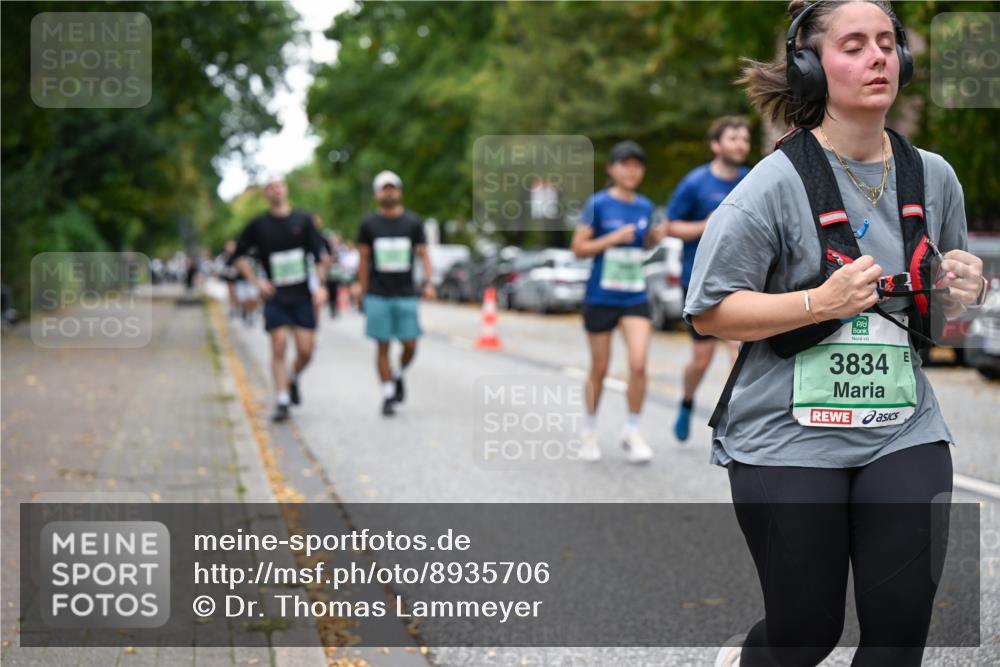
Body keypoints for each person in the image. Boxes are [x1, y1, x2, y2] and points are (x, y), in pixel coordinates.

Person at [683, 3, 988, 666]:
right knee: (805, 634)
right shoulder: (769, 186)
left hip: (902, 427)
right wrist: (817, 301)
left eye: (887, 43)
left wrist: (965, 287)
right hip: (784, 434)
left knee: (899, 632)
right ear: (809, 67)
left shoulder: (934, 176)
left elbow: (936, 319)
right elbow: (708, 310)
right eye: (854, 45)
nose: (878, 56)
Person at [571, 141, 668, 463]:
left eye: (637, 165)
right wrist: (611, 238)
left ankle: (632, 429)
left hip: (633, 295)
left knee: (639, 363)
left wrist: (654, 238)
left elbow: (641, 246)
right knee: (599, 368)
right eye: (624, 164)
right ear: (612, 169)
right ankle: (589, 430)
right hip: (600, 296)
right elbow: (578, 248)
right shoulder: (597, 204)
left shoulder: (644, 206)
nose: (631, 171)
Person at [666, 116, 751, 443]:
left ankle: (734, 421)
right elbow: (670, 226)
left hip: (743, 278)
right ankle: (687, 402)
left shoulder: (753, 178)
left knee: (738, 351)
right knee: (701, 360)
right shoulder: (694, 183)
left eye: (744, 139)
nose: (740, 144)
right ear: (716, 145)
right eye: (733, 138)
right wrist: (709, 224)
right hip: (700, 279)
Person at [233, 174, 329, 422]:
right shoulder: (258, 225)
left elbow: (321, 256)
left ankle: (294, 375)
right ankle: (282, 400)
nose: (275, 190)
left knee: (306, 349)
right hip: (276, 295)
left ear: (286, 189)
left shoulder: (304, 220)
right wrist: (257, 281)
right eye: (270, 187)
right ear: (266, 194)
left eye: (279, 185)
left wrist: (320, 286)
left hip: (302, 295)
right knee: (278, 343)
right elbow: (239, 256)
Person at [357, 170, 435, 417]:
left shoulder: (412, 223)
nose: (388, 192)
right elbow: (363, 259)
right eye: (384, 188)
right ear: (377, 193)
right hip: (378, 293)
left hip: (405, 293)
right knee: (382, 346)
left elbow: (423, 254)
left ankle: (398, 373)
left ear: (399, 192)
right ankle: (388, 393)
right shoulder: (369, 224)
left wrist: (429, 282)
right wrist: (362, 288)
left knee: (410, 344)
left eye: (392, 188)